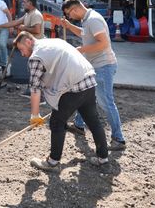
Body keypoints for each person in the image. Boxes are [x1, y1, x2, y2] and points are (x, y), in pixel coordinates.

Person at [13, 31, 109, 172]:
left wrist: (34, 115)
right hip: (88, 80)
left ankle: (52, 162)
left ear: (28, 41)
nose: (22, 54)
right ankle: (103, 157)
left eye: (21, 49)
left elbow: (34, 89)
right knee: (93, 121)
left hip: (73, 87)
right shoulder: (53, 41)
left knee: (57, 122)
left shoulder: (36, 57)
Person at [61, 0, 126, 151]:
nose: (69, 17)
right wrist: (69, 26)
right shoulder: (87, 19)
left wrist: (79, 50)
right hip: (95, 66)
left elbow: (103, 43)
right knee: (85, 95)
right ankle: (79, 125)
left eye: (69, 14)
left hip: (103, 67)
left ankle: (119, 139)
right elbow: (86, 34)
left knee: (106, 103)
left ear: (75, 9)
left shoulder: (94, 20)